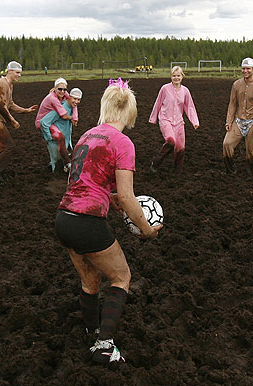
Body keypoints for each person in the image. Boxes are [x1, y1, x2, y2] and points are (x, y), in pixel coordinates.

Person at [55, 78, 163, 365]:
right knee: (121, 277)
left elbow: (81, 181)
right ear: (130, 111)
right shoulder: (122, 142)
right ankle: (104, 345)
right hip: (88, 222)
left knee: (90, 280)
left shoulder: (87, 135)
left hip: (64, 218)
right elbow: (128, 197)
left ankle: (91, 331)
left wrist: (108, 195)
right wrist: (147, 230)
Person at [0, 61, 38, 186]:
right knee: (9, 147)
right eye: (17, 73)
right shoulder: (2, 83)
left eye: (20, 73)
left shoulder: (10, 85)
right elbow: (1, 106)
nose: (19, 75)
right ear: (10, 71)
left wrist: (26, 110)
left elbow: (10, 104)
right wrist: (12, 121)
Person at [222, 57, 253, 176]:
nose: (245, 71)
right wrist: (229, 121)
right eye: (243, 68)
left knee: (252, 152)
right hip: (238, 121)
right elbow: (232, 104)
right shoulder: (236, 85)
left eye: (248, 68)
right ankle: (230, 171)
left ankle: (252, 174)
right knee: (227, 144)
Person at [148, 66, 199, 173]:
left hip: (179, 122)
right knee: (171, 141)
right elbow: (158, 103)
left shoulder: (185, 91)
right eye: (174, 76)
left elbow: (189, 107)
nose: (176, 78)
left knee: (181, 148)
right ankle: (156, 163)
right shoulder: (165, 89)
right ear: (171, 77)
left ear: (182, 76)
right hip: (165, 119)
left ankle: (177, 171)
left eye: (178, 75)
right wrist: (153, 118)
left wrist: (194, 121)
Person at [35, 78, 78, 171]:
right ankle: (67, 162)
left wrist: (75, 116)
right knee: (60, 137)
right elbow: (64, 115)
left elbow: (73, 103)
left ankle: (57, 161)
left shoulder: (64, 94)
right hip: (43, 122)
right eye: (60, 89)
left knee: (61, 138)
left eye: (64, 89)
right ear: (55, 88)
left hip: (51, 120)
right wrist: (72, 118)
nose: (62, 91)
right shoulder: (53, 99)